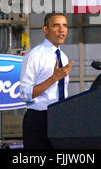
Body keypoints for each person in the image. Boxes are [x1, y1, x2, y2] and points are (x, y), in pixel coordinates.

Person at [19, 13, 74, 149]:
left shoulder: (64, 58)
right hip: (39, 120)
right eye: (56, 25)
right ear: (45, 29)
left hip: (61, 119)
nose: (62, 30)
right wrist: (53, 78)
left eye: (65, 25)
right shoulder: (34, 55)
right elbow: (25, 94)